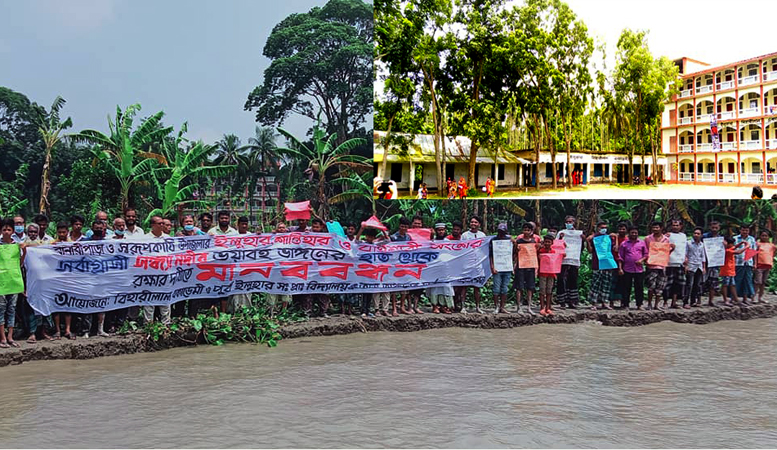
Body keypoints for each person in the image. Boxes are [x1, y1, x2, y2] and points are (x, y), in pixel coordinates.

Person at [82, 220, 110, 337]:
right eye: (96, 227)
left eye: (100, 227)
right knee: (87, 304)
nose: (98, 229)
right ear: (92, 228)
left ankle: (100, 329)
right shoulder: (84, 242)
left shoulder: (109, 243)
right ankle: (86, 331)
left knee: (102, 304)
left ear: (104, 228)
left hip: (102, 278)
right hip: (87, 277)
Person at [142, 216, 172, 325]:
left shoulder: (168, 239)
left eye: (163, 223)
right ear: (153, 225)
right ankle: (148, 325)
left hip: (165, 275)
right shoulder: (144, 239)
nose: (163, 226)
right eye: (160, 224)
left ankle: (166, 325)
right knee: (149, 301)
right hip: (149, 275)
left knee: (165, 300)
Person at [357, 226, 391, 316]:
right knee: (364, 292)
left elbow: (388, 241)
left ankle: (367, 310)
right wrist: (361, 229)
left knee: (370, 292)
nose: (370, 238)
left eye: (371, 237)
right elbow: (356, 241)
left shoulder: (376, 245)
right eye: (368, 236)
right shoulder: (363, 244)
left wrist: (382, 230)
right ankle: (363, 311)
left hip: (373, 272)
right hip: (364, 271)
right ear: (366, 236)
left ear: (374, 237)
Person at [587, 221, 617, 311]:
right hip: (597, 264)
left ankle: (604, 302)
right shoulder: (593, 238)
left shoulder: (609, 238)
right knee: (596, 284)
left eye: (605, 227)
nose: (604, 229)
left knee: (606, 284)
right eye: (602, 227)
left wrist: (616, 238)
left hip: (608, 264)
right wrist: (588, 241)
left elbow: (615, 248)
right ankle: (594, 303)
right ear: (598, 228)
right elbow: (590, 250)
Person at [0, 219, 21, 348]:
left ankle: (10, 337)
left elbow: (22, 259)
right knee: (1, 309)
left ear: (12, 231)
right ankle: (2, 338)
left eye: (9, 230)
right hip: (1, 281)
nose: (7, 232)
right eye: (4, 230)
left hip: (14, 280)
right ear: (1, 231)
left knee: (12, 308)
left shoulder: (18, 245)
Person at [52, 222, 74, 339]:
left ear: (67, 232)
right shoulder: (51, 244)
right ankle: (57, 330)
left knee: (68, 304)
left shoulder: (73, 245)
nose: (61, 234)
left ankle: (67, 329)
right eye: (59, 232)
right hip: (55, 278)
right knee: (56, 304)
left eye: (63, 232)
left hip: (68, 279)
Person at [618, 225, 648, 309]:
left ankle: (639, 305)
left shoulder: (642, 243)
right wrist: (620, 268)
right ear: (629, 233)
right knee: (626, 287)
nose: (634, 234)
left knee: (639, 288)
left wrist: (641, 260)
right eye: (632, 233)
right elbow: (620, 257)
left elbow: (646, 254)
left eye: (635, 233)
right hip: (627, 269)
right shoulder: (624, 244)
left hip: (639, 269)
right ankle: (626, 304)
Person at [461, 216, 486, 313]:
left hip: (478, 263)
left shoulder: (482, 235)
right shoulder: (465, 235)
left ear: (479, 224)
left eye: (475, 222)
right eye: (472, 222)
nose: (473, 224)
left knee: (477, 286)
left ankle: (478, 307)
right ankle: (463, 307)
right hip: (467, 264)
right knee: (464, 285)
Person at [428, 223, 454, 314]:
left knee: (445, 287)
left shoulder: (448, 241)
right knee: (435, 287)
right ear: (436, 230)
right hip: (435, 268)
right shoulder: (433, 241)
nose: (441, 231)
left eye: (442, 229)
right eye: (439, 230)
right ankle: (435, 306)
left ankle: (443, 306)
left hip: (445, 268)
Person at [644, 221, 671, 310]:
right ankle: (649, 304)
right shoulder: (648, 239)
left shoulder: (666, 239)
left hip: (662, 266)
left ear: (661, 228)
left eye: (657, 227)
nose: (655, 229)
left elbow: (665, 252)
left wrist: (672, 250)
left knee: (660, 287)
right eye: (653, 228)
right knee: (651, 286)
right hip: (651, 265)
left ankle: (656, 305)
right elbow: (645, 251)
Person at [557, 215, 583, 309]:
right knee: (561, 280)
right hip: (563, 260)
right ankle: (562, 301)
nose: (568, 223)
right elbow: (556, 245)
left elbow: (581, 247)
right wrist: (560, 238)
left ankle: (572, 301)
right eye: (567, 222)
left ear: (574, 223)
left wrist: (583, 238)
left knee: (573, 280)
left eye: (570, 222)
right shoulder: (561, 233)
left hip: (574, 260)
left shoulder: (579, 234)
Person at [228, 217, 253, 313]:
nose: (244, 226)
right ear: (237, 224)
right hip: (234, 268)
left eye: (246, 224)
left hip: (247, 268)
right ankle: (234, 311)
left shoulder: (251, 236)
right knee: (235, 290)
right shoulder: (231, 236)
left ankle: (247, 310)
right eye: (242, 224)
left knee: (247, 290)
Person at [514, 223, 539, 314]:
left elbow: (537, 254)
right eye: (525, 229)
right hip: (520, 266)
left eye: (528, 230)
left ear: (531, 231)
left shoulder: (534, 242)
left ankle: (529, 307)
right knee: (519, 287)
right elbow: (515, 253)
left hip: (531, 266)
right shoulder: (519, 241)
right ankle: (518, 307)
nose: (526, 231)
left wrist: (536, 268)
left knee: (530, 287)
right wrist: (515, 264)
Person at [390, 217, 413, 316]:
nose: (403, 228)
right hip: (395, 265)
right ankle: (394, 308)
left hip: (405, 264)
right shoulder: (393, 237)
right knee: (395, 287)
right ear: (399, 226)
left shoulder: (408, 237)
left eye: (406, 227)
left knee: (405, 287)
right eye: (402, 226)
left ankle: (402, 307)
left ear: (408, 227)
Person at [490, 223, 513, 315]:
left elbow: (514, 252)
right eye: (500, 231)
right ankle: (496, 307)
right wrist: (492, 266)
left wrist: (514, 243)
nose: (501, 233)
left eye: (503, 232)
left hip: (507, 267)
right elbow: (490, 255)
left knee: (505, 288)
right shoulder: (493, 240)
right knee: (496, 288)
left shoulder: (509, 240)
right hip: (497, 268)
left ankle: (502, 307)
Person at [538, 234, 563, 316]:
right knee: (542, 290)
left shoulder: (554, 252)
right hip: (542, 273)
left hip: (551, 274)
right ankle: (542, 307)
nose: (547, 243)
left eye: (549, 242)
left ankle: (548, 308)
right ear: (543, 242)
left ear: (552, 243)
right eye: (546, 242)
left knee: (549, 290)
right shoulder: (540, 251)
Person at [720, 237, 747, 307]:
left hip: (731, 270)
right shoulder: (727, 250)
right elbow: (738, 252)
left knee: (732, 285)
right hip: (726, 270)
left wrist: (740, 243)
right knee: (725, 285)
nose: (733, 245)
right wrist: (746, 247)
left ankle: (736, 299)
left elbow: (735, 247)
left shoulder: (729, 248)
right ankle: (725, 299)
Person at [665, 219, 685, 309]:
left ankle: (674, 302)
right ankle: (665, 302)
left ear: (681, 226)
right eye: (674, 225)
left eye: (677, 225)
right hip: (669, 263)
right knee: (667, 283)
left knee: (678, 284)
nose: (675, 227)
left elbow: (684, 249)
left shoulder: (683, 236)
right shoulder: (667, 236)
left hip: (680, 263)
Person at [684, 227, 707, 308]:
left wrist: (704, 267)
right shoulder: (688, 243)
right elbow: (685, 254)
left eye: (698, 234)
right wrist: (686, 265)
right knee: (689, 284)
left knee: (697, 285)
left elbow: (703, 256)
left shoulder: (702, 245)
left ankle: (693, 301)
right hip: (691, 265)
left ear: (701, 235)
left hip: (699, 266)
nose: (696, 235)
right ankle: (685, 301)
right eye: (695, 233)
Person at [734, 223, 756, 305]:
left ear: (749, 231)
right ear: (740, 230)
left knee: (747, 280)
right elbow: (732, 250)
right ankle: (734, 298)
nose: (745, 232)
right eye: (743, 230)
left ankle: (745, 298)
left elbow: (754, 252)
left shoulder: (752, 239)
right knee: (737, 280)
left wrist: (755, 263)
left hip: (748, 263)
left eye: (747, 230)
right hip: (738, 263)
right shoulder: (735, 238)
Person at [704, 221, 723, 307]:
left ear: (719, 228)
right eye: (713, 227)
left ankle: (710, 301)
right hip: (704, 263)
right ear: (710, 227)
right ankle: (698, 301)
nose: (714, 229)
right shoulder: (704, 237)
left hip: (715, 264)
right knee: (701, 282)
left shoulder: (721, 239)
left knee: (713, 282)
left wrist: (724, 246)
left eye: (716, 228)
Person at [611, 222, 629, 309]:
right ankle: (611, 302)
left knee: (623, 284)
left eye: (623, 229)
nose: (622, 230)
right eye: (620, 229)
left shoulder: (627, 240)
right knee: (612, 283)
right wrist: (616, 239)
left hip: (625, 264)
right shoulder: (613, 237)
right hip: (613, 263)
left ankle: (622, 302)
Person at [755, 230, 774, 304]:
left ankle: (760, 297)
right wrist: (755, 264)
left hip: (768, 265)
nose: (764, 237)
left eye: (766, 236)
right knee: (758, 282)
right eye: (762, 235)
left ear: (769, 237)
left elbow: (772, 254)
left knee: (763, 282)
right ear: (760, 236)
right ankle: (754, 297)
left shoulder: (772, 245)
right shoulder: (758, 244)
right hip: (759, 265)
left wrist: (771, 262)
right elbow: (755, 255)